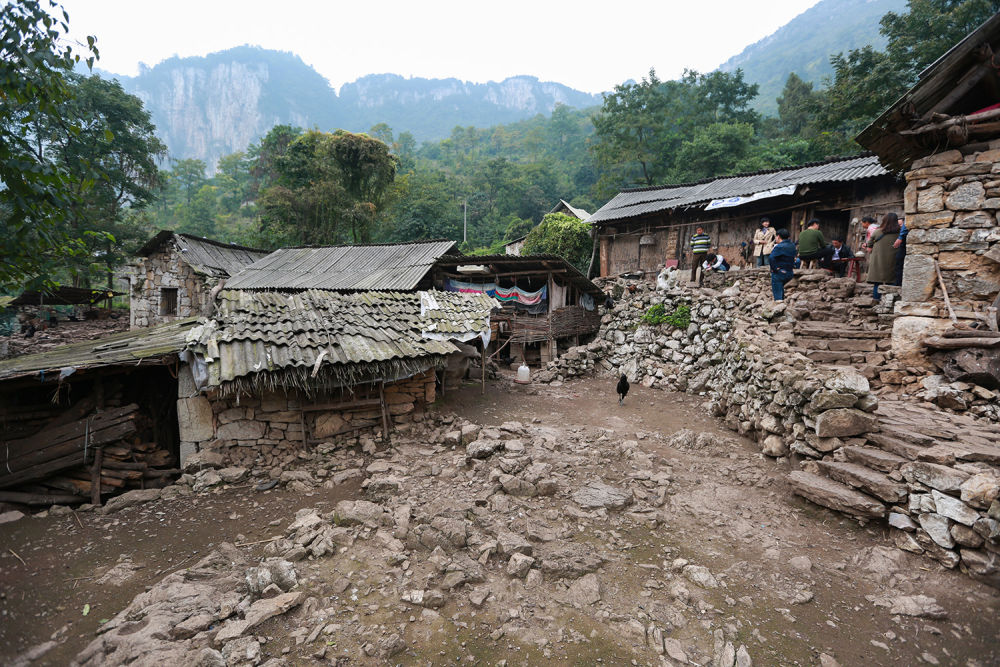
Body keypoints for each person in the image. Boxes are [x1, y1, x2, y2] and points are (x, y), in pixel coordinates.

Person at [867, 212, 901, 301]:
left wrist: (869, 247)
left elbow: (869, 244)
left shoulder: (877, 231)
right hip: (893, 260)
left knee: (877, 281)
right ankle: (892, 300)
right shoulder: (900, 233)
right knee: (892, 280)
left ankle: (876, 299)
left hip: (878, 259)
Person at [770, 228, 796, 301]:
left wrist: (775, 268)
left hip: (780, 272)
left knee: (778, 295)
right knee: (781, 289)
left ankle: (779, 304)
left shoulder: (779, 246)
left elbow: (771, 258)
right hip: (790, 273)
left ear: (778, 236)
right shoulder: (792, 245)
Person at [893, 217, 908, 286]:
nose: (900, 227)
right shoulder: (896, 234)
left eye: (901, 225)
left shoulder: (902, 234)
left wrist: (900, 237)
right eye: (898, 225)